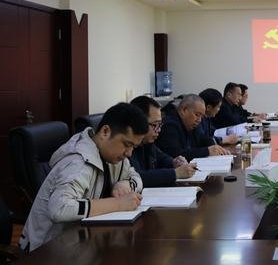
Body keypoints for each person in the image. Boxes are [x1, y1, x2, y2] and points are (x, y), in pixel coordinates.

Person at [19, 103, 147, 252]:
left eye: (133, 147)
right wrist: (118, 203)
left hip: (79, 243)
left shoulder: (113, 156)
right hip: (45, 251)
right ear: (105, 132)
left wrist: (125, 184)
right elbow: (59, 208)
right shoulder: (78, 163)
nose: (129, 153)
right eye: (127, 144)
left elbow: (136, 177)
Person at [129, 96, 196, 187]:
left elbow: (161, 158)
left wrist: (174, 162)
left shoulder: (148, 142)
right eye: (155, 124)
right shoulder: (128, 145)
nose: (159, 130)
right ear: (139, 123)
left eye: (160, 124)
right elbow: (138, 177)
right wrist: (176, 173)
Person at [156, 94, 228, 161]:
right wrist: (207, 151)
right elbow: (177, 155)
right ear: (184, 110)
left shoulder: (190, 124)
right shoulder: (169, 126)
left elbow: (202, 139)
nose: (199, 120)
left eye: (201, 116)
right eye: (197, 115)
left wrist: (216, 147)